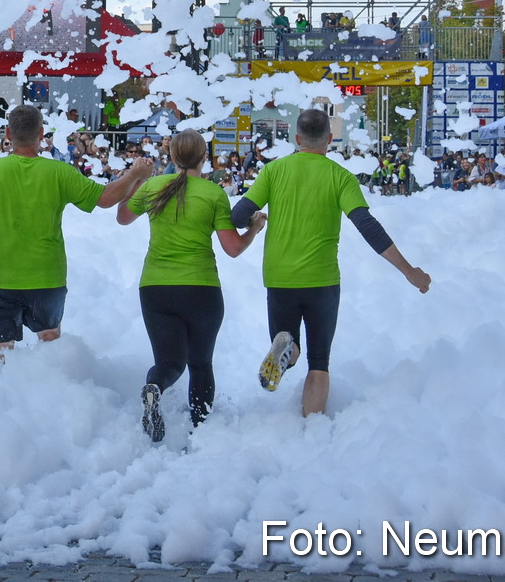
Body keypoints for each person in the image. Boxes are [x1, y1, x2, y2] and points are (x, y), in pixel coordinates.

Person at [231, 108, 430, 417]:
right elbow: (368, 227)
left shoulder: (273, 171)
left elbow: (237, 215)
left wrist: (254, 223)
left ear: (297, 139)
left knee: (288, 343)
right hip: (323, 281)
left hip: (280, 278)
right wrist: (409, 271)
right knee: (320, 361)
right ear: (330, 139)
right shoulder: (341, 177)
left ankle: (287, 349)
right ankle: (313, 432)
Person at [0, 104, 154, 366]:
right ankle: (51, 403)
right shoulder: (59, 172)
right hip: (47, 277)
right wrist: (135, 174)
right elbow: (105, 199)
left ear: (8, 133)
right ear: (41, 133)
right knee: (51, 350)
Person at [117, 129, 265, 441]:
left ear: (172, 157)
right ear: (204, 158)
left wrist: (135, 180)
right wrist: (253, 229)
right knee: (200, 363)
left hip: (155, 288)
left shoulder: (155, 187)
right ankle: (200, 430)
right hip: (201, 289)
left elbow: (122, 217)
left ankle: (155, 387)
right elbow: (233, 248)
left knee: (169, 362)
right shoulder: (213, 194)